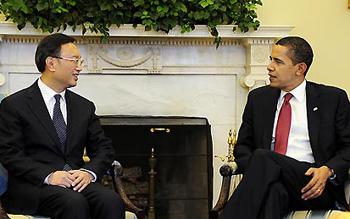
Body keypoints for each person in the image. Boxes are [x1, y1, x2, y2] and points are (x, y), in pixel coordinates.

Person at [219, 36, 350, 219]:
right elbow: (242, 147)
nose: (270, 66)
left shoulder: (332, 99)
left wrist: (327, 170)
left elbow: (348, 147)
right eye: (271, 59)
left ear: (300, 68)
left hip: (313, 183)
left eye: (278, 62)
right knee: (274, 191)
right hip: (272, 181)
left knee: (264, 157)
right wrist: (260, 173)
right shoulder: (259, 99)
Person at [0, 33, 125, 219]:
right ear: (51, 63)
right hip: (33, 186)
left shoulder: (84, 106)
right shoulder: (15, 105)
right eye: (75, 61)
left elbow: (104, 148)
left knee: (111, 200)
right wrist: (50, 176)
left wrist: (88, 173)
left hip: (75, 183)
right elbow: (10, 154)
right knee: (73, 202)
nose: (79, 68)